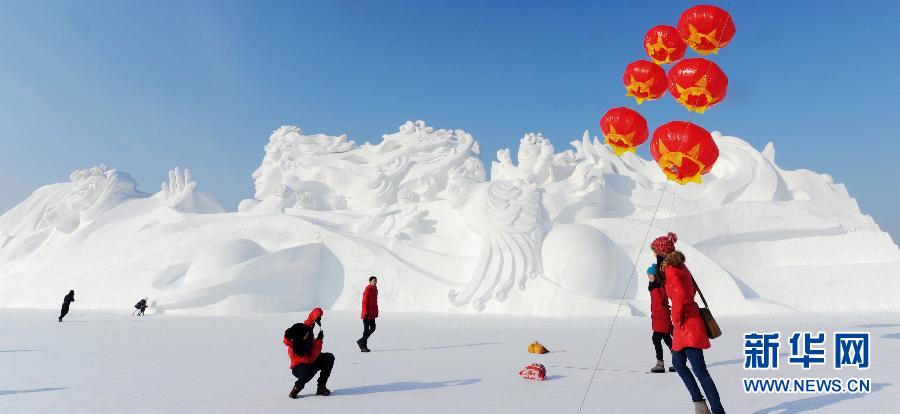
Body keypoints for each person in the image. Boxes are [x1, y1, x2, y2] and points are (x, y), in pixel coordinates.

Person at [664, 251, 725, 414]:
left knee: (699, 370)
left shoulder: (670, 269)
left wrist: (676, 319)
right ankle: (700, 403)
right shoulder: (682, 267)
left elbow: (680, 295)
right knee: (678, 364)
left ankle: (717, 410)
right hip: (689, 322)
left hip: (686, 325)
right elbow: (691, 290)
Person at [648, 232, 678, 373]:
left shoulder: (659, 284)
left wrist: (654, 287)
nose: (648, 277)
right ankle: (676, 360)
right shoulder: (656, 284)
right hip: (659, 318)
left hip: (662, 317)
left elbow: (660, 301)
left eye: (650, 275)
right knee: (665, 339)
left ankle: (663, 363)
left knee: (661, 339)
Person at [284, 319, 333, 399]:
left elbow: (310, 318)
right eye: (306, 334)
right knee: (307, 368)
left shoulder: (305, 330)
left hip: (311, 363)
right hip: (299, 368)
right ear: (301, 338)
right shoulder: (297, 347)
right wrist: (319, 340)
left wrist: (317, 316)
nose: (308, 333)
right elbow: (311, 358)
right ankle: (297, 388)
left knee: (329, 357)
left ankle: (321, 386)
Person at [357, 276, 378, 352]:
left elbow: (375, 303)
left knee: (372, 328)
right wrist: (365, 312)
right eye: (374, 281)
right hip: (367, 314)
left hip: (372, 314)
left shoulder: (375, 290)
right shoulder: (368, 290)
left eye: (376, 281)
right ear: (370, 281)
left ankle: (361, 341)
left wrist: (376, 312)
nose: (375, 282)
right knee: (366, 330)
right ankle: (363, 347)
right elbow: (364, 302)